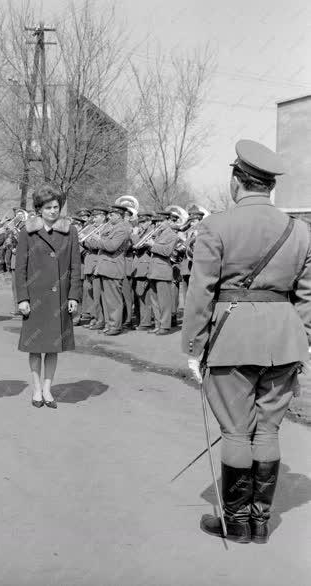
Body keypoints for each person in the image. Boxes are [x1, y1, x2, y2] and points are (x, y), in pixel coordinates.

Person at [183, 139, 311, 544]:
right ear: (268, 186)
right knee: (269, 431)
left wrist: (193, 346)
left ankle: (236, 524)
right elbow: (307, 295)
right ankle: (260, 523)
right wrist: (302, 339)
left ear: (237, 180)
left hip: (230, 339)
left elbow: (200, 292)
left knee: (237, 432)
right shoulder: (300, 230)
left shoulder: (217, 225)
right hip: (284, 340)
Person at [15, 184, 82, 408]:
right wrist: (22, 298)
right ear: (39, 209)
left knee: (53, 347)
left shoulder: (70, 231)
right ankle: (36, 390)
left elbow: (75, 267)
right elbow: (20, 268)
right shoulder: (27, 231)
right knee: (35, 347)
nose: (53, 211)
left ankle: (47, 389)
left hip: (59, 298)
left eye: (56, 207)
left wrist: (74, 296)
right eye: (48, 207)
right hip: (35, 299)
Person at [86, 205, 131, 335]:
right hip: (105, 267)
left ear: (118, 215)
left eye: (111, 215)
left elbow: (112, 246)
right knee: (106, 300)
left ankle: (115, 326)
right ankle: (109, 324)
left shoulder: (122, 229)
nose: (109, 217)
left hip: (113, 267)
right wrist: (96, 240)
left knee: (114, 300)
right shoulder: (111, 227)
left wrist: (99, 239)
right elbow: (97, 245)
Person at [146, 210, 179, 335]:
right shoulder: (157, 234)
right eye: (157, 221)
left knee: (164, 301)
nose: (158, 223)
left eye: (161, 221)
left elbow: (167, 251)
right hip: (153, 270)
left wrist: (153, 245)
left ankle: (165, 326)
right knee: (154, 300)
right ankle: (158, 324)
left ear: (168, 221)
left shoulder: (172, 235)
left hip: (163, 270)